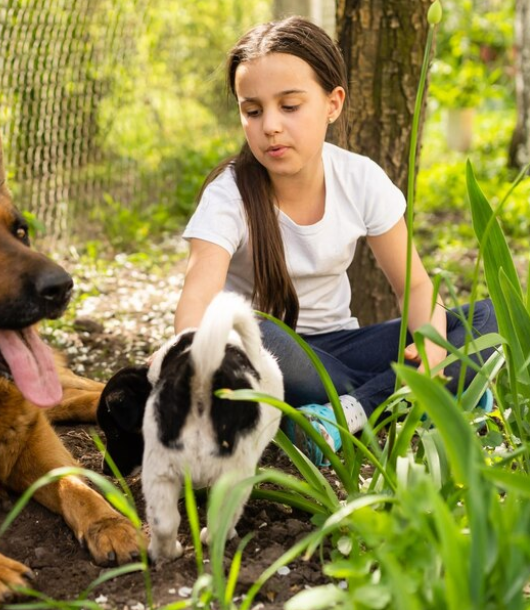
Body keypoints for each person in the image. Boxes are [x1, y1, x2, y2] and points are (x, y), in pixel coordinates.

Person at [172, 16, 498, 467]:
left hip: (344, 347)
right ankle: (420, 397)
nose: (269, 126)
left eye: (289, 106)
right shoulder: (228, 194)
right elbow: (198, 300)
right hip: (276, 358)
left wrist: (434, 346)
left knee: (488, 318)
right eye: (253, 110)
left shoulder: (360, 178)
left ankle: (349, 412)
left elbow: (417, 288)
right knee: (244, 328)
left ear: (333, 102)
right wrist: (186, 361)